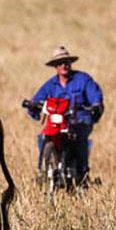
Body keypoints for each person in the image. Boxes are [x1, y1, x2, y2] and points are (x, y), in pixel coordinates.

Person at [27, 46, 104, 184]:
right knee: (43, 136)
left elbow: (95, 96)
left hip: (80, 118)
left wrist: (95, 105)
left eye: (66, 62)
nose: (64, 65)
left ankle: (82, 173)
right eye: (60, 63)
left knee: (79, 137)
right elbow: (37, 99)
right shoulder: (50, 84)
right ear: (55, 66)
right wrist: (33, 105)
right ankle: (42, 171)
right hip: (57, 121)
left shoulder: (83, 79)